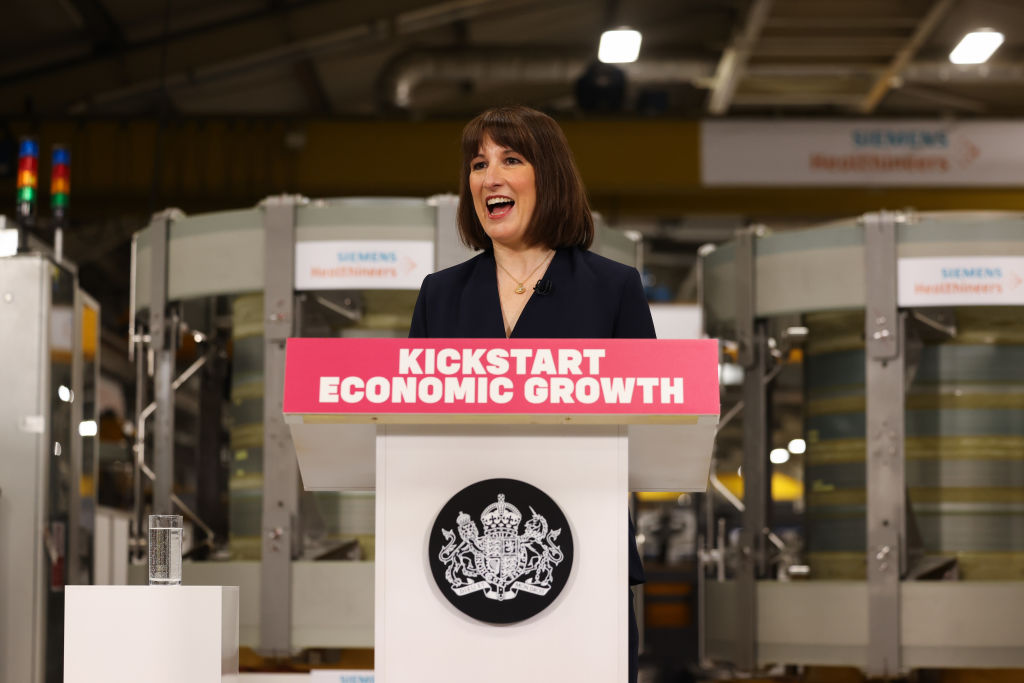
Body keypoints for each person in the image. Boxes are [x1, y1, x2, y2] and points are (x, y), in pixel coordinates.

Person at [409, 104, 654, 683]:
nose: (488, 177)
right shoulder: (439, 296)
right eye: (477, 164)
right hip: (457, 570)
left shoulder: (613, 289)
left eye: (510, 160)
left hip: (585, 561)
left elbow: (652, 421)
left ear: (551, 176)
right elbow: (410, 430)